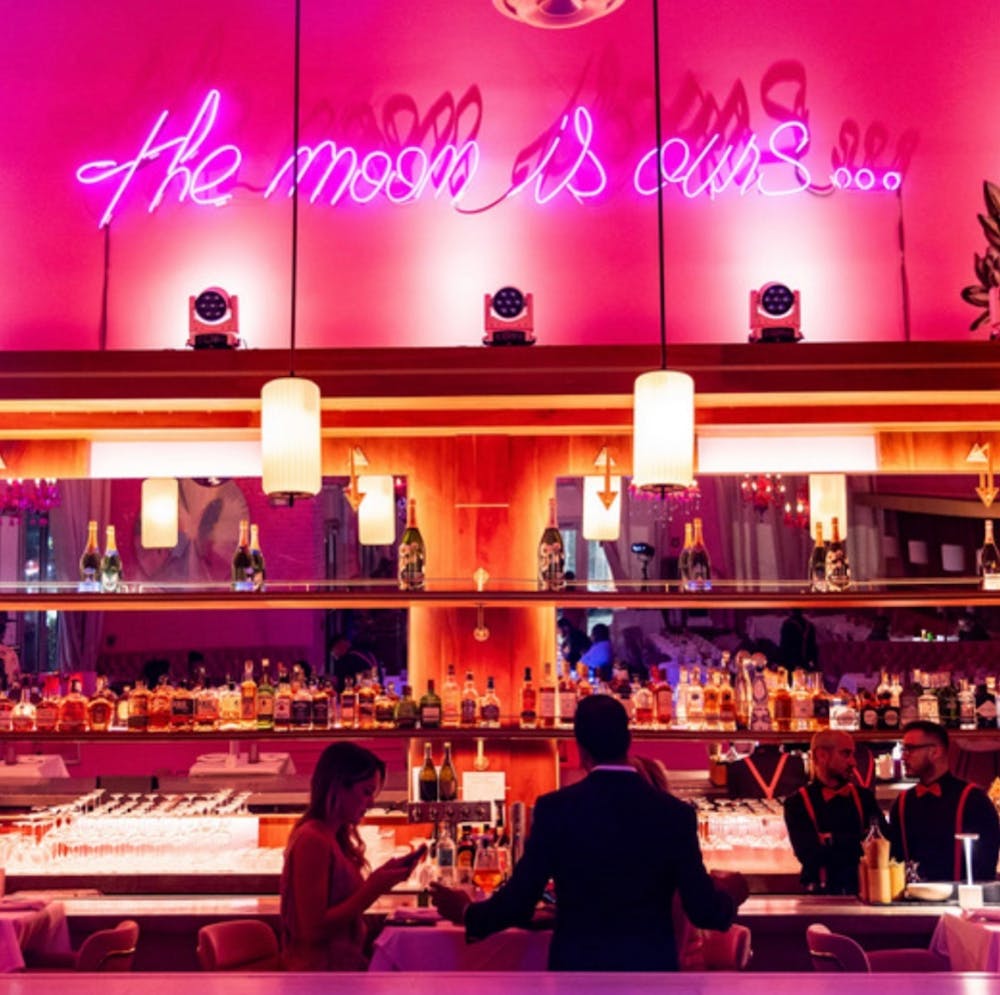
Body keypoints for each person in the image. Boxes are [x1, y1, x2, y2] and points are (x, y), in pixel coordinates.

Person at [430, 695, 747, 971]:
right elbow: (705, 911)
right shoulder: (675, 814)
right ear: (629, 739)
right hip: (650, 974)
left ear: (579, 748)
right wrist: (732, 894)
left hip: (578, 971)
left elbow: (520, 900)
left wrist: (468, 912)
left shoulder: (556, 809)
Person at [280, 742, 425, 970]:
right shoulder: (312, 840)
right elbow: (312, 929)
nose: (371, 802)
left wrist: (382, 876)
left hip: (340, 969)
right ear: (338, 788)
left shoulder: (334, 836)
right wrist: (374, 888)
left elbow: (340, 903)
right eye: (366, 792)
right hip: (317, 977)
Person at [888, 720, 1000, 883]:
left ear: (935, 752)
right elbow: (895, 860)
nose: (903, 756)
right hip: (911, 903)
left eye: (910, 749)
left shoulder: (974, 800)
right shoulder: (903, 802)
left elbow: (985, 866)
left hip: (961, 902)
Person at [783, 730, 886, 894]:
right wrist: (859, 841)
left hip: (864, 891)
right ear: (822, 755)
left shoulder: (864, 797)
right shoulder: (797, 802)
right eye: (846, 753)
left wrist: (831, 840)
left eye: (853, 754)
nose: (853, 762)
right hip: (819, 895)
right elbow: (808, 856)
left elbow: (883, 846)